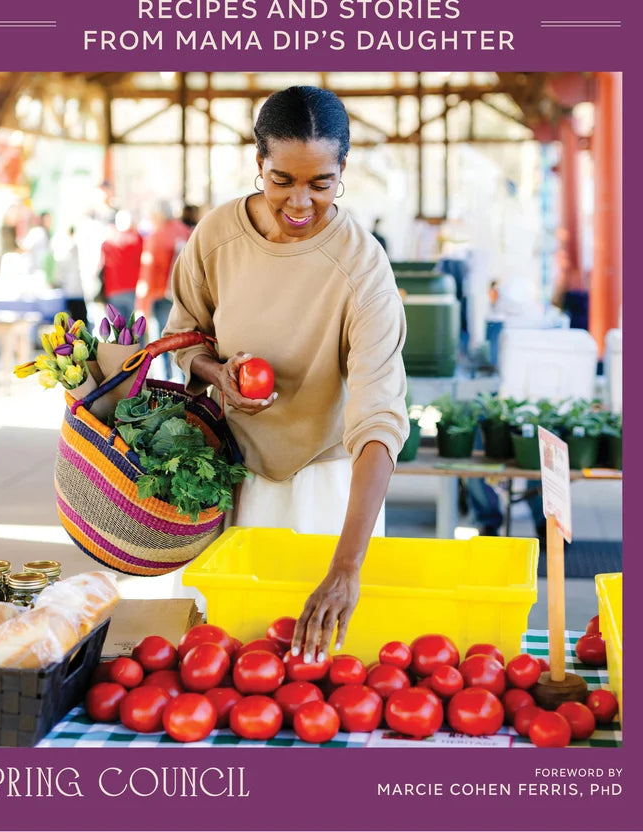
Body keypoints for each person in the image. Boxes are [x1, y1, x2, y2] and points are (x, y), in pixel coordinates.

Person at [166, 86, 409, 661]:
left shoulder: (362, 266)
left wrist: (348, 566)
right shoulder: (217, 237)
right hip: (223, 481)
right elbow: (184, 334)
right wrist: (214, 371)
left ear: (342, 170)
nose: (300, 201)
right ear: (260, 165)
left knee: (321, 665)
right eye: (283, 180)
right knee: (215, 659)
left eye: (321, 184)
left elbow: (379, 417)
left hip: (322, 490)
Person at [135, 202, 192, 376]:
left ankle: (165, 390)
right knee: (182, 345)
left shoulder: (156, 236)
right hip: (184, 298)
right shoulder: (186, 231)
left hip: (160, 297)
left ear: (158, 216)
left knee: (159, 347)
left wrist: (142, 305)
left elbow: (148, 272)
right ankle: (184, 387)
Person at [98, 209, 144, 318]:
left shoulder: (108, 240)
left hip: (113, 289)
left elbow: (101, 264)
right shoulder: (138, 239)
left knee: (118, 329)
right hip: (133, 288)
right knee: (135, 329)